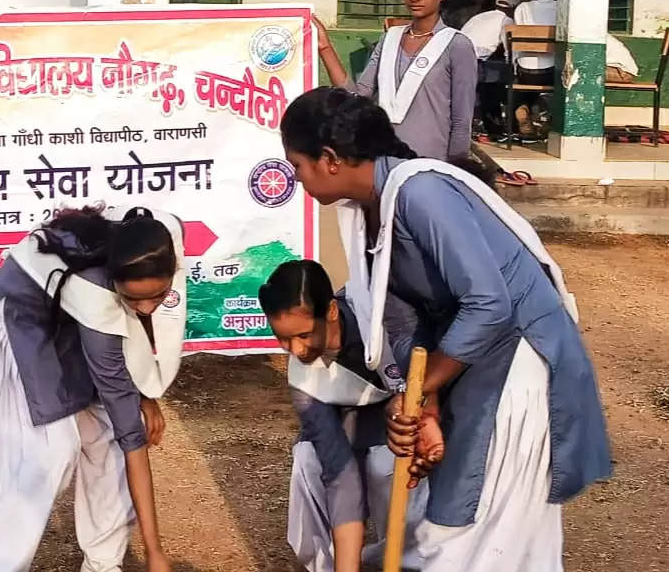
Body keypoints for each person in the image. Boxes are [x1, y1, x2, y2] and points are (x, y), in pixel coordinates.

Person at [278, 88, 611, 572]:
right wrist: (423, 402)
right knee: (451, 526)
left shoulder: (420, 193)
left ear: (329, 159)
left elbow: (489, 304)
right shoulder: (371, 210)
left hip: (518, 363)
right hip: (471, 364)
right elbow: (400, 319)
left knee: (483, 533)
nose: (296, 178)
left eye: (298, 165)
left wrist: (424, 387)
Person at [0, 205, 184, 572]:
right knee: (50, 449)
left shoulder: (164, 238)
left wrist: (146, 393)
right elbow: (132, 438)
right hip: (27, 313)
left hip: (73, 310)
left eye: (159, 294)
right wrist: (155, 552)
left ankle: (103, 564)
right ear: (114, 281)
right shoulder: (98, 294)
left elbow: (144, 323)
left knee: (105, 434)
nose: (147, 308)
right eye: (134, 299)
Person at [259, 260, 426, 572]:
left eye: (305, 335)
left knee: (383, 465)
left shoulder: (383, 318)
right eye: (283, 338)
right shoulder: (303, 378)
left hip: (400, 428)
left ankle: (411, 560)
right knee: (308, 460)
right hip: (349, 426)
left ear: (331, 312)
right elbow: (340, 473)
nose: (295, 349)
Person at [313, 0, 478, 163]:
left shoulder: (457, 45)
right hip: (382, 162)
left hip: (430, 165)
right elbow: (356, 97)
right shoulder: (389, 39)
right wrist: (325, 48)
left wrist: (455, 172)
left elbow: (461, 121)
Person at [461, 0, 519, 139]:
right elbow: (509, 49)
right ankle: (495, 127)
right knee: (495, 86)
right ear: (513, 7)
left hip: (461, 60)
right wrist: (514, 67)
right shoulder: (506, 20)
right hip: (480, 63)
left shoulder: (479, 17)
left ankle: (483, 124)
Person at [512, 0, 558, 139]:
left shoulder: (522, 8)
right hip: (552, 71)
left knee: (523, 83)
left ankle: (523, 110)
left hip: (526, 71)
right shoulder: (562, 8)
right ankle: (551, 121)